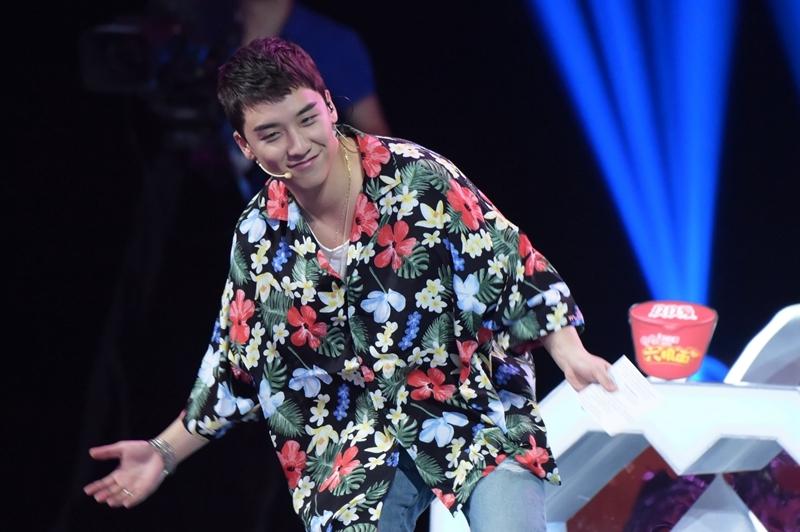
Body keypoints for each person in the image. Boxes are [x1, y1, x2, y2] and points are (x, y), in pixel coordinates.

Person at [84, 37, 617, 532]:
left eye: (307, 118)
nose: (297, 145)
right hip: (352, 441)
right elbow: (236, 362)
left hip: (470, 403)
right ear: (246, 147)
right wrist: (164, 451)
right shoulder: (258, 235)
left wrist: (569, 353)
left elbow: (511, 264)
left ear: (329, 107)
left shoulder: (417, 179)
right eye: (271, 134)